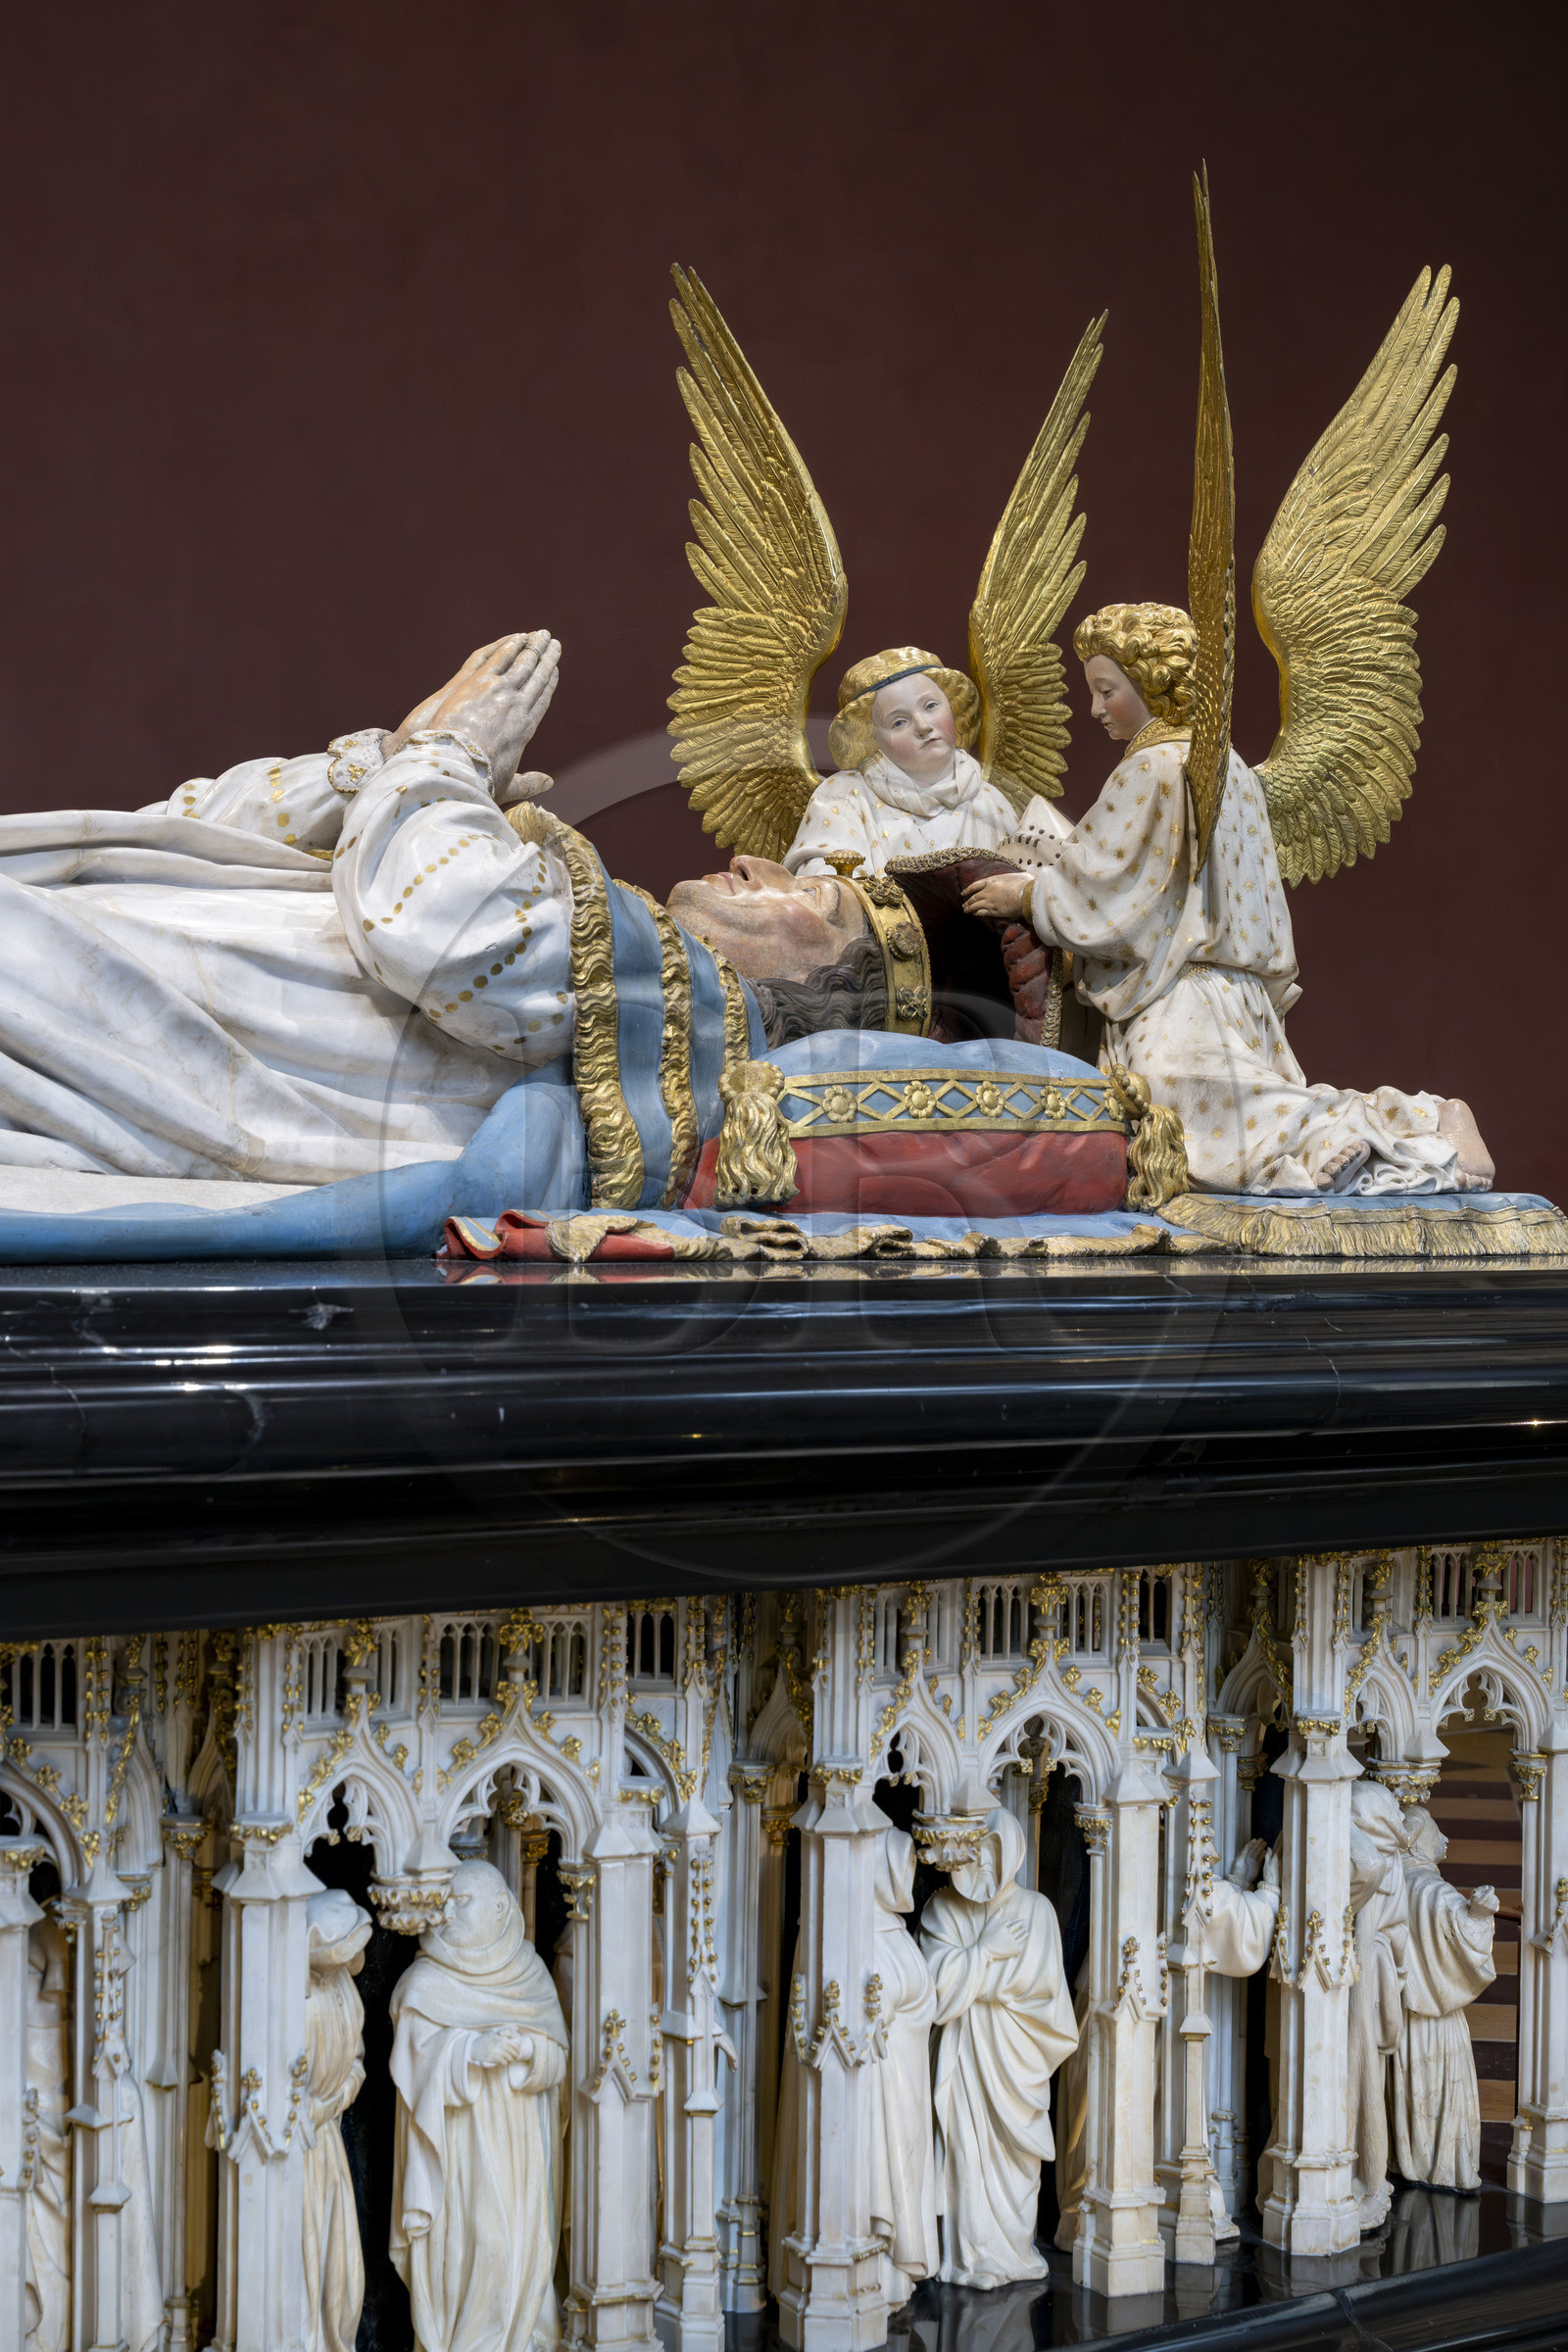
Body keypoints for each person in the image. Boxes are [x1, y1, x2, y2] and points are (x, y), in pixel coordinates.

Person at [0, 631, 903, 1194]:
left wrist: (446, 754)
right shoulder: (586, 925)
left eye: (818, 895)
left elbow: (442, 928)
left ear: (828, 993)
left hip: (100, 1019)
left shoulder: (661, 1003)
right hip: (87, 972)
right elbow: (166, 837)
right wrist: (378, 764)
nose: (755, 861)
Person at [961, 603, 1494, 1196]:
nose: (1094, 710)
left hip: (1178, 993)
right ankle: (1379, 1131)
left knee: (1202, 1116)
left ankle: (1410, 1119)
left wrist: (1029, 893)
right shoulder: (1230, 768)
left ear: (1152, 683)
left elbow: (1108, 884)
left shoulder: (1152, 767)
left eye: (1106, 690)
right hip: (1236, 990)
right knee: (1238, 1107)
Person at [389, 1858, 569, 2352]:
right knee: (480, 2246)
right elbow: (413, 2058)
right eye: (444, 1902)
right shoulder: (425, 1981)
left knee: (521, 2252)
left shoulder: (529, 1973)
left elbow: (558, 2059)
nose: (447, 1911)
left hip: (520, 2157)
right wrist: (472, 2052)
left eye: (461, 1901)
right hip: (461, 2152)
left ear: (498, 1907)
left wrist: (532, 2051)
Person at [920, 1808, 1077, 2288]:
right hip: (965, 2061)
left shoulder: (1037, 1911)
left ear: (1012, 1852)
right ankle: (971, 2259)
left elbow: (1042, 1989)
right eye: (976, 1852)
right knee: (966, 2157)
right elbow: (935, 1991)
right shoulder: (943, 1908)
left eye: (993, 1852)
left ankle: (1013, 2250)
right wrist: (985, 1952)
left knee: (1016, 2165)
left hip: (1018, 2062)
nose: (983, 1864)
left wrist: (978, 1977)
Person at [783, 649, 1032, 877]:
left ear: (952, 709)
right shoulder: (842, 797)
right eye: (899, 722)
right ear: (871, 739)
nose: (923, 726)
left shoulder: (989, 800)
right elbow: (821, 881)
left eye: (931, 706)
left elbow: (1025, 884)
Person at [1391, 1808, 1497, 2191]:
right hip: (1438, 2022)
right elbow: (1465, 1935)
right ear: (1418, 1842)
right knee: (1442, 2094)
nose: (1446, 1841)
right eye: (1438, 1833)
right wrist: (1481, 1916)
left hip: (1401, 2019)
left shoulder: (1391, 1882)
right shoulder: (1434, 1891)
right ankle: (1445, 2167)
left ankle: (1409, 2160)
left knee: (1408, 2091)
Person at [865, 1822, 939, 2305]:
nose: (908, 1877)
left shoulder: (891, 1930)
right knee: (884, 2162)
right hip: (884, 2078)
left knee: (907, 2160)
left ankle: (903, 2252)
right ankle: (878, 2253)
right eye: (899, 1866)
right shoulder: (861, 1933)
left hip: (909, 2074)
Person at [302, 1889, 372, 2352]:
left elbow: (357, 2063)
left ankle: (334, 2341)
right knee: (303, 2263)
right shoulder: (293, 1997)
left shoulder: (343, 1989)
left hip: (325, 2138)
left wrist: (330, 2104)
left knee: (343, 2272)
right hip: (294, 2149)